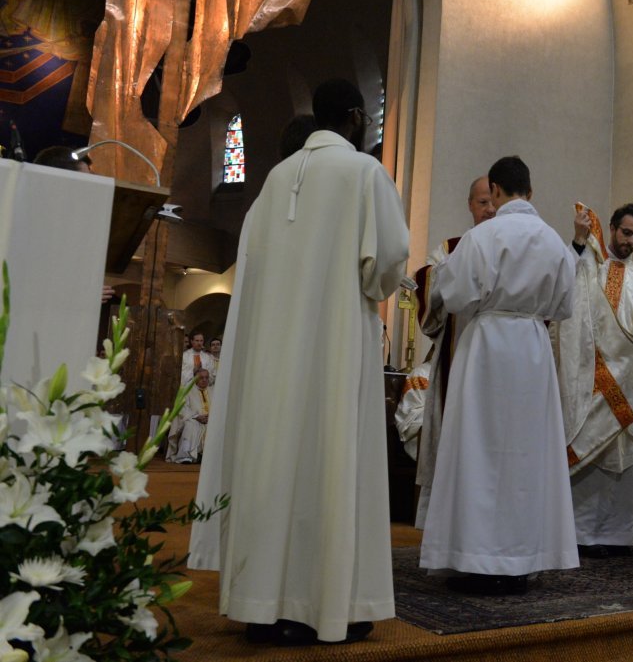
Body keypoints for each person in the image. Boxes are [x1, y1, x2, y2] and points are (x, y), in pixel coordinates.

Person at [196, 78, 410, 645]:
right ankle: (331, 606)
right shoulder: (365, 173)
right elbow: (387, 260)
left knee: (276, 464)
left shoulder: (277, 177)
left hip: (275, 349)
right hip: (335, 342)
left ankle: (265, 603)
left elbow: (256, 261)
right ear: (357, 117)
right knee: (331, 463)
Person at [419, 156, 579, 595]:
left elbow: (451, 294)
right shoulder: (554, 243)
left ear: (497, 189)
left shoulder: (482, 236)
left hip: (487, 345)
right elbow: (565, 307)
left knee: (480, 451)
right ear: (529, 190)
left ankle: (477, 559)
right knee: (526, 455)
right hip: (531, 347)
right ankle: (520, 560)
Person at [557, 202, 633, 557]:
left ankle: (618, 534)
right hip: (588, 380)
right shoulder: (589, 266)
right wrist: (579, 241)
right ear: (612, 227)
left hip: (624, 385)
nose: (630, 241)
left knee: (620, 462)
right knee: (588, 458)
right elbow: (566, 303)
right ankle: (578, 533)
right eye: (626, 232)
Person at [410, 175, 496, 527]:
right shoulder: (452, 248)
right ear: (469, 205)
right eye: (482, 202)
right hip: (458, 363)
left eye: (495, 202)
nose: (489, 210)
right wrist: (456, 264)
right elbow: (427, 281)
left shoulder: (514, 244)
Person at [166, 368, 211, 463]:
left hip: (210, 420)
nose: (204, 380)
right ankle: (186, 456)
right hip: (193, 419)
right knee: (191, 426)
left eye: (206, 378)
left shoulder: (213, 391)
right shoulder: (187, 390)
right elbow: (181, 408)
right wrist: (196, 417)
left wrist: (211, 417)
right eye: (201, 378)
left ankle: (205, 456)